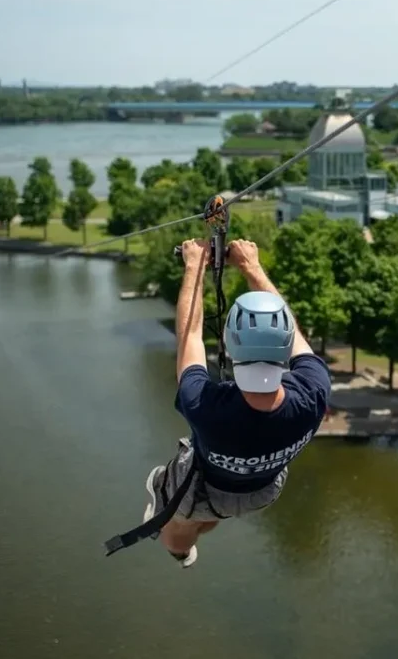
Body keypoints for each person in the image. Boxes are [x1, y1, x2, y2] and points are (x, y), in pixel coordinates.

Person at [141, 238, 331, 568]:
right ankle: (203, 520)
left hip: (204, 488)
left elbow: (191, 334)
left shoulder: (204, 406)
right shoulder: (314, 392)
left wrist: (194, 266)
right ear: (286, 345)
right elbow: (294, 335)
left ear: (229, 344)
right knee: (217, 508)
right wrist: (252, 267)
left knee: (178, 522)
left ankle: (181, 551)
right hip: (261, 489)